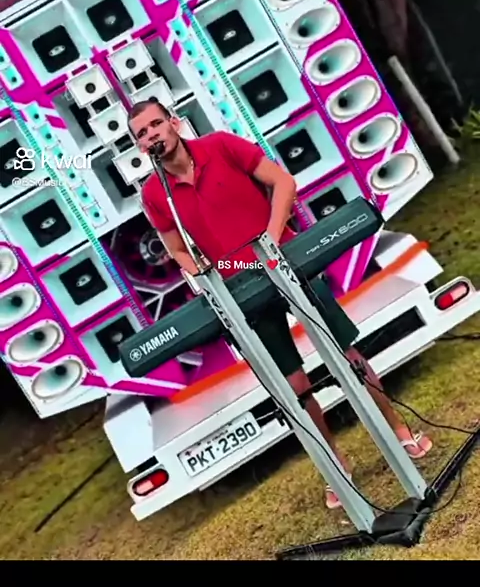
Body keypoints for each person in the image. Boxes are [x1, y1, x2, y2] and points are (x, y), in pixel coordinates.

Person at [129, 99, 433, 510]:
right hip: (240, 286)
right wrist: (202, 272)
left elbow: (283, 183)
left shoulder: (220, 145)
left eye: (155, 125)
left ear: (173, 123)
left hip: (288, 259)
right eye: (142, 133)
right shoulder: (154, 194)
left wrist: (270, 241)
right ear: (139, 146)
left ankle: (399, 431)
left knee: (348, 354)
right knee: (294, 384)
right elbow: (176, 248)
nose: (151, 135)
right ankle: (337, 470)